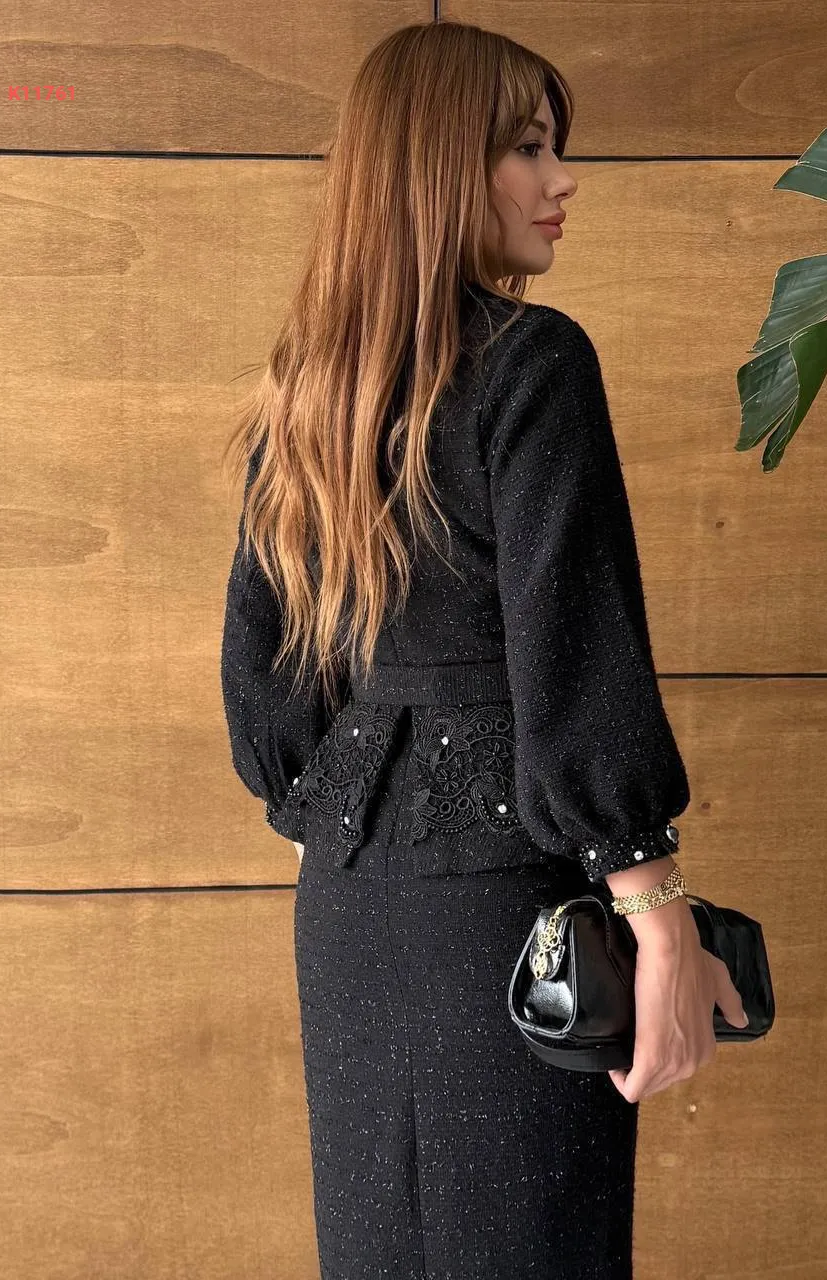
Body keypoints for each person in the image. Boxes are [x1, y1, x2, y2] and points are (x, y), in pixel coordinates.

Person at [219, 20, 748, 1280]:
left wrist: (357, 803)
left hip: (348, 904)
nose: (561, 180)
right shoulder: (533, 361)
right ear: (436, 168)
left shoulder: (305, 389)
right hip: (509, 906)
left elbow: (268, 685)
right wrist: (656, 913)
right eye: (526, 149)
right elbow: (576, 654)